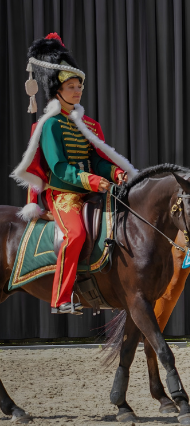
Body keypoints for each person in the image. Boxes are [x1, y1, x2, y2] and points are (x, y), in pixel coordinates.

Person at [12, 33, 137, 314]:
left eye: (79, 86)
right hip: (64, 193)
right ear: (58, 90)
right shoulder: (51, 125)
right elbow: (57, 168)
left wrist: (116, 173)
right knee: (75, 235)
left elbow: (98, 160)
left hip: (95, 190)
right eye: (71, 86)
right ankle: (61, 298)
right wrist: (92, 180)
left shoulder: (90, 126)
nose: (77, 91)